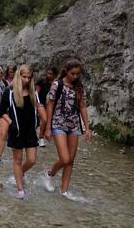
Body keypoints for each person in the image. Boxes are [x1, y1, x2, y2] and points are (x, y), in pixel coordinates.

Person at [42, 59, 92, 199]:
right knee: (64, 159)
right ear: (66, 71)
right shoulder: (57, 85)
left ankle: (64, 191)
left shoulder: (79, 86)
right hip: (58, 124)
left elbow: (82, 107)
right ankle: (50, 175)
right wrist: (47, 128)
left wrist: (87, 128)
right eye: (72, 73)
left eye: (77, 74)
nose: (75, 76)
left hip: (74, 125)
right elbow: (50, 106)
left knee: (71, 160)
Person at [0, 65, 47, 198]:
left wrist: (46, 122)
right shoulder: (9, 91)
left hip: (30, 130)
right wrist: (11, 123)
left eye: (28, 77)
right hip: (17, 130)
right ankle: (20, 190)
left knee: (32, 160)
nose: (26, 80)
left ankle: (19, 174)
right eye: (24, 77)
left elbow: (39, 107)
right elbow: (2, 111)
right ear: (18, 76)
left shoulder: (34, 92)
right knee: (18, 160)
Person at [35, 66, 58, 147]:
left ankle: (41, 136)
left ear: (55, 74)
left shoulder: (57, 83)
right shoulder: (41, 81)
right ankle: (41, 138)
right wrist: (37, 103)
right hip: (41, 104)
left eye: (51, 74)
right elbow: (36, 93)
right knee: (45, 120)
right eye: (47, 73)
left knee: (47, 121)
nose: (48, 75)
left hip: (51, 106)